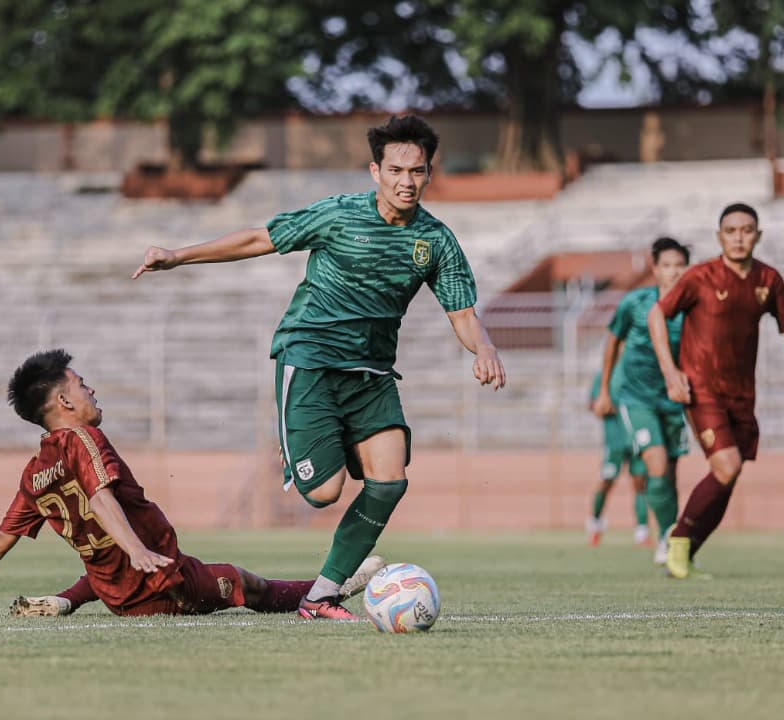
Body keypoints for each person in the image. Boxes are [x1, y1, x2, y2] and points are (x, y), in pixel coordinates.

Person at [132, 115, 507, 620]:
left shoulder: (435, 241)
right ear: (375, 171)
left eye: (417, 171)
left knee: (390, 480)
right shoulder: (339, 216)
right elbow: (258, 239)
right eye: (396, 169)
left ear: (428, 174)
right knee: (324, 493)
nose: (406, 181)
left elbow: (462, 313)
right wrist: (178, 256)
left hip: (371, 374)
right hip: (309, 361)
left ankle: (321, 595)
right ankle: (311, 439)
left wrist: (484, 349)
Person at [0, 350, 380, 620]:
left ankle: (66, 600)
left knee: (103, 561)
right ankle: (325, 592)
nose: (91, 390)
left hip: (117, 593)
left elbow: (3, 536)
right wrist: (140, 552)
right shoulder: (83, 438)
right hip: (163, 580)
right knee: (247, 583)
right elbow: (100, 498)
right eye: (82, 385)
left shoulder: (34, 471)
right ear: (64, 400)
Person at [648, 203, 784, 579]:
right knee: (726, 466)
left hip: (742, 394)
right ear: (720, 237)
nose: (739, 237)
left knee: (729, 474)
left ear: (757, 235)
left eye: (747, 230)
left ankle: (686, 552)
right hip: (702, 389)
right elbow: (657, 314)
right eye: (731, 230)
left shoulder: (768, 279)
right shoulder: (700, 277)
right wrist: (670, 371)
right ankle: (676, 539)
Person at [595, 237, 690, 564]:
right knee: (657, 465)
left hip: (676, 402)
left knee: (671, 475)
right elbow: (612, 343)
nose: (673, 272)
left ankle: (674, 542)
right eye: (667, 266)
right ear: (655, 269)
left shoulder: (692, 309)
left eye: (679, 265)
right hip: (636, 399)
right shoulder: (635, 303)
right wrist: (605, 388)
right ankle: (665, 538)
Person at [587, 366, 650, 548]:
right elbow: (593, 404)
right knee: (606, 481)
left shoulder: (636, 371)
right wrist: (602, 404)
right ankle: (595, 525)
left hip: (635, 437)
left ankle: (642, 531)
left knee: (640, 483)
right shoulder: (604, 374)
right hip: (614, 440)